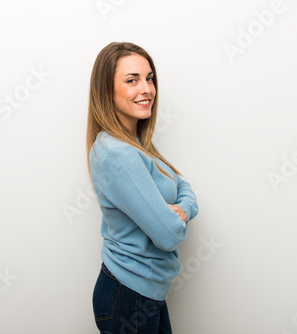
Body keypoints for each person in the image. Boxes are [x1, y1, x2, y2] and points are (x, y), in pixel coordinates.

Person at [86, 41, 199, 333]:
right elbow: (167, 235)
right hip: (129, 297)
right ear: (106, 90)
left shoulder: (136, 146)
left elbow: (183, 185)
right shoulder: (117, 154)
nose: (146, 89)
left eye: (149, 78)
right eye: (131, 80)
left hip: (145, 293)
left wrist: (183, 210)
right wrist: (181, 214)